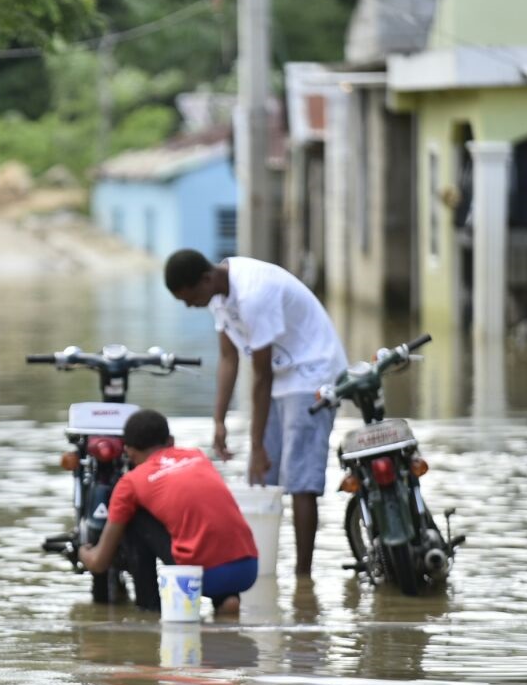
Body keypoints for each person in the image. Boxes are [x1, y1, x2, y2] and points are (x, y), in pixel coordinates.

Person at [163, 248, 347, 576]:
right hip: (280, 374)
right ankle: (259, 572)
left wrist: (258, 444)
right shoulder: (217, 295)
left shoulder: (254, 294)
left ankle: (303, 579)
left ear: (206, 279)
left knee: (300, 479)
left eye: (189, 298)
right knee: (259, 478)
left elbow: (260, 376)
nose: (189, 306)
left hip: (312, 371)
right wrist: (218, 420)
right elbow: (229, 359)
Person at [77, 409, 259, 616]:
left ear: (129, 452)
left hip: (200, 577)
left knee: (133, 517)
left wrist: (83, 552)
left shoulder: (130, 482)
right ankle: (227, 600)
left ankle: (149, 610)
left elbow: (99, 563)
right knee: (196, 526)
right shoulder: (197, 456)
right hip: (248, 568)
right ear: (170, 441)